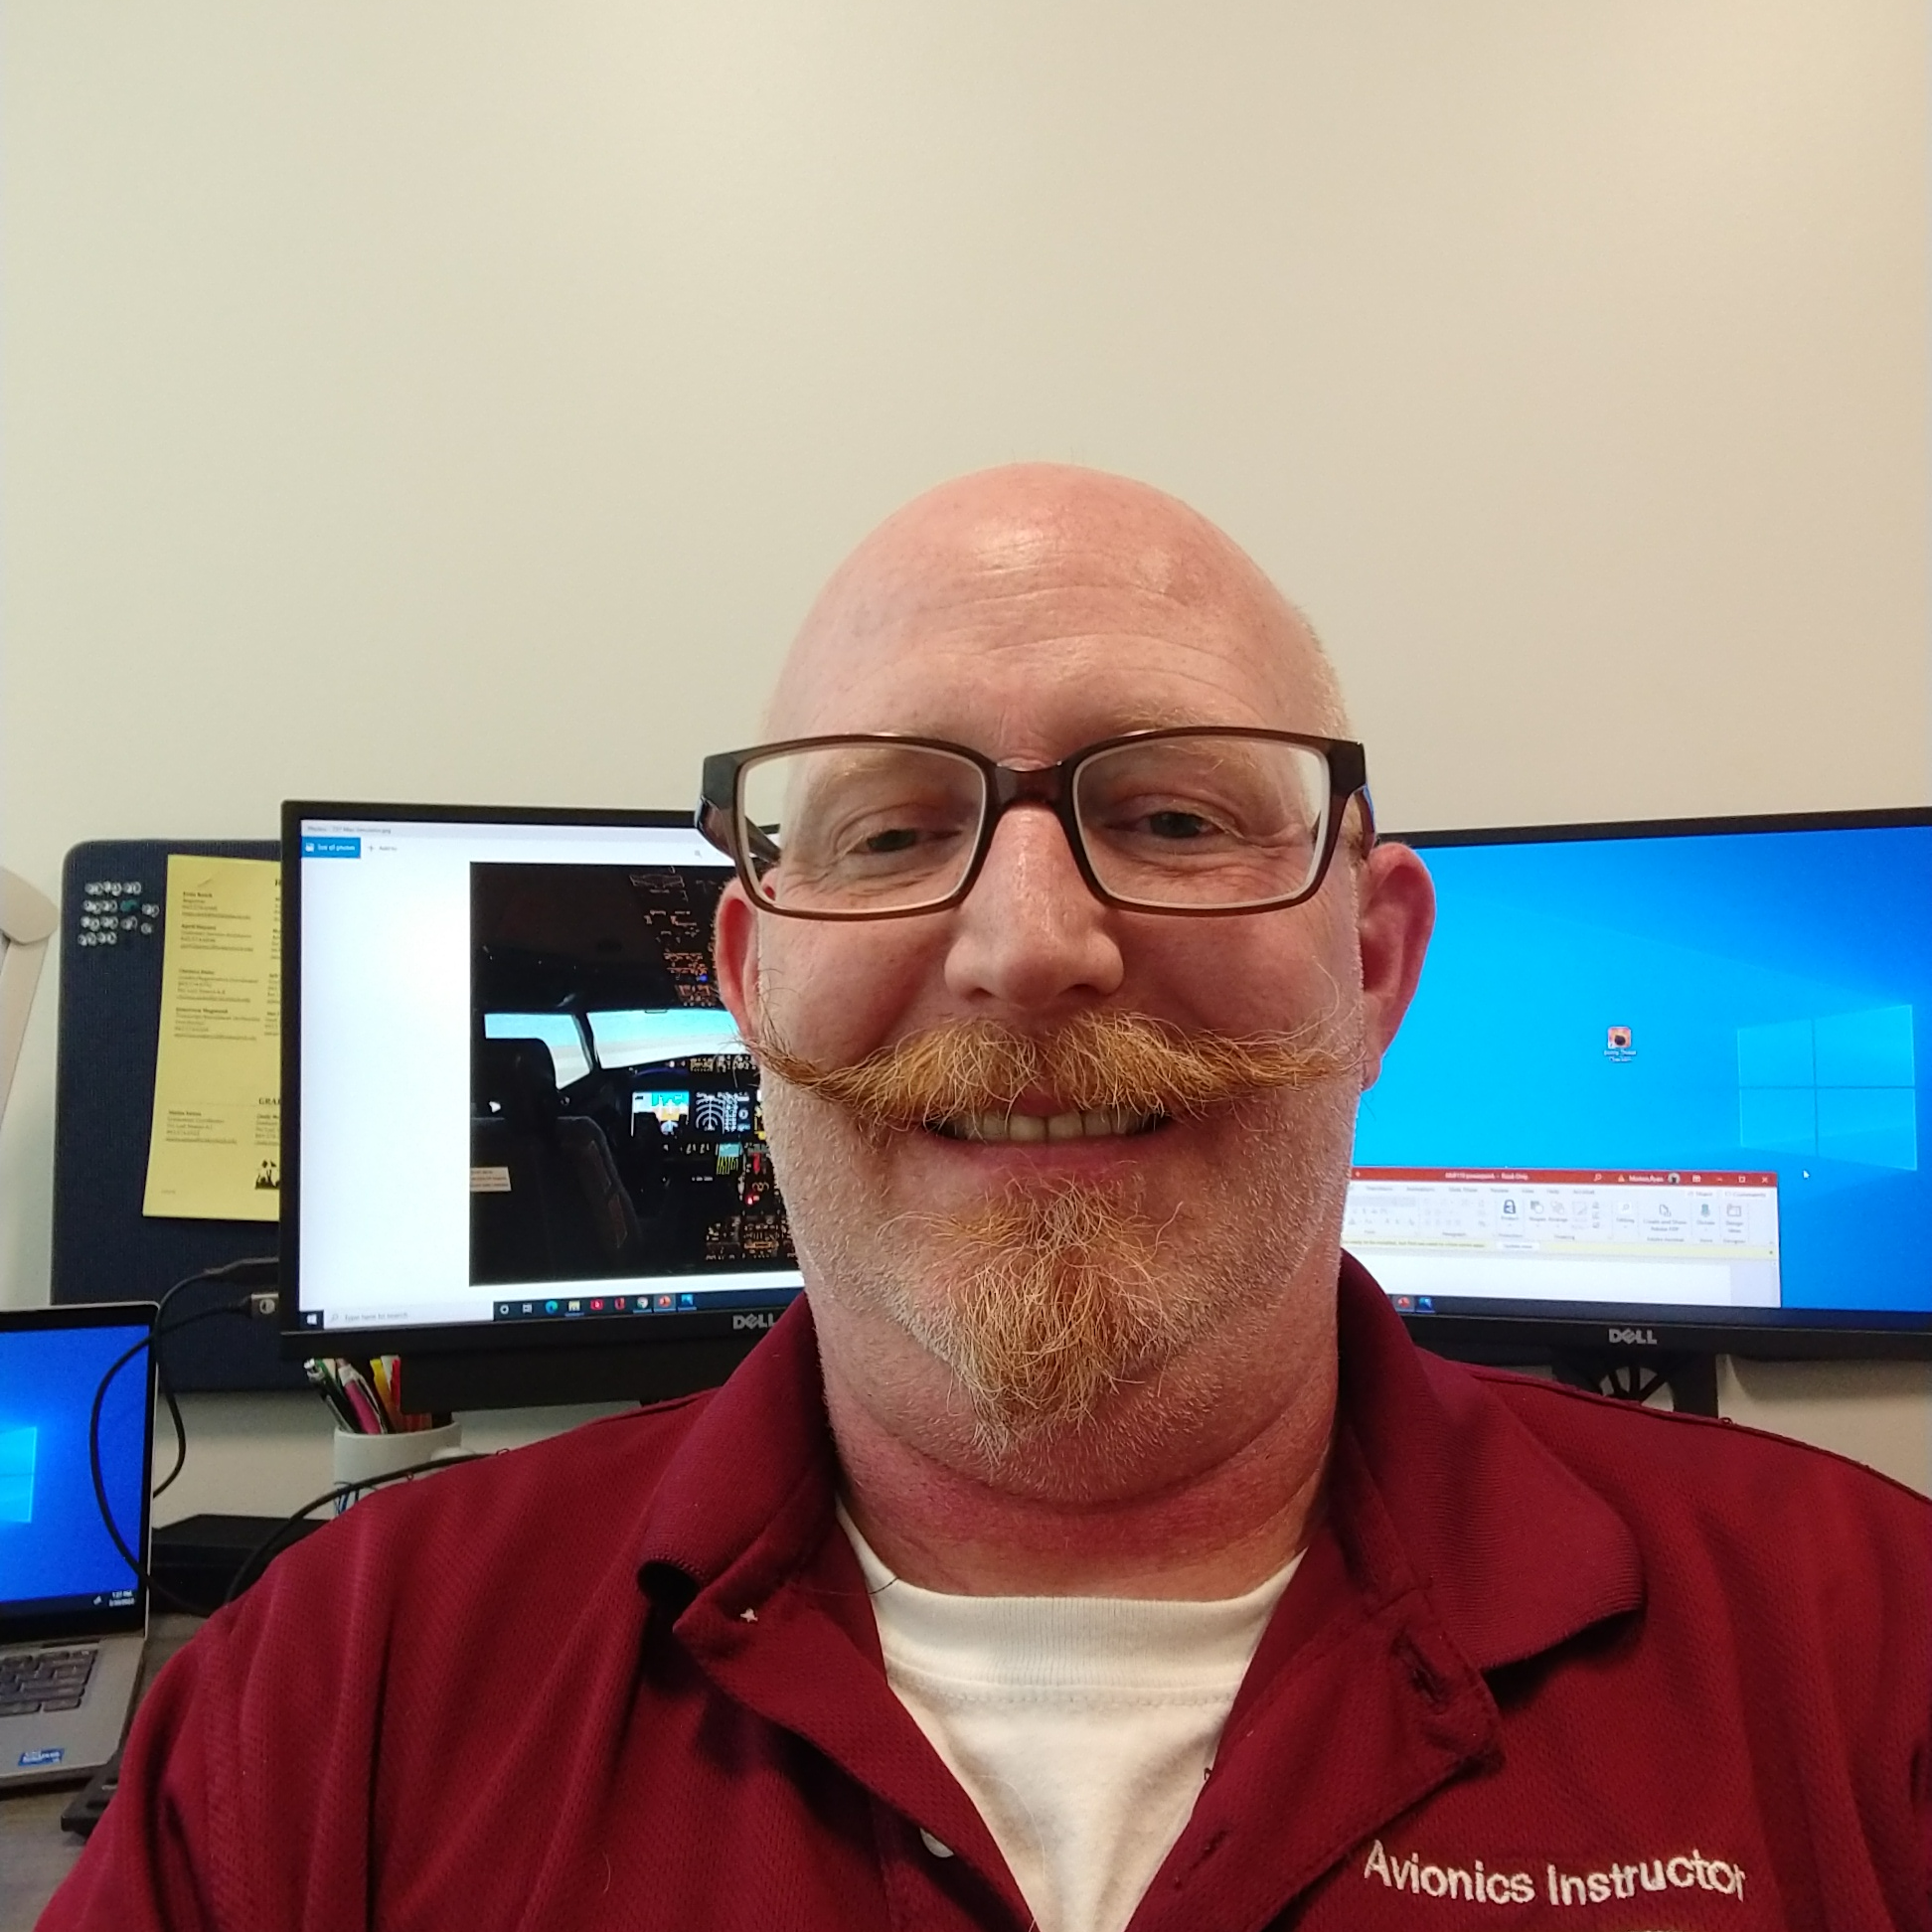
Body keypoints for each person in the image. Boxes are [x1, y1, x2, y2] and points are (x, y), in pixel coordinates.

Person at [44, 467, 1932, 1932]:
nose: (1029, 949)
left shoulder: (1868, 1651)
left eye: (1175, 818)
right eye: (890, 834)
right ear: (750, 979)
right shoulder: (335, 1695)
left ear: (1372, 967)